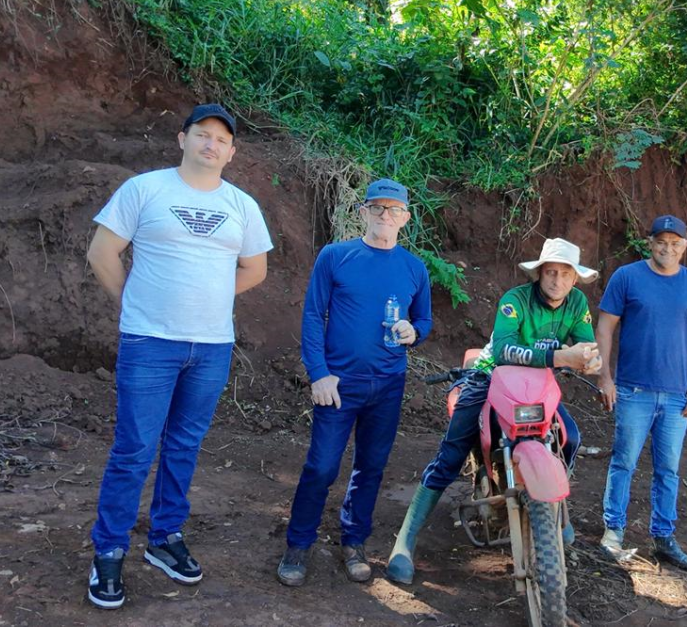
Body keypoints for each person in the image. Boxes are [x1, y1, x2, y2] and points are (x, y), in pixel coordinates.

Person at [84, 104, 273, 609]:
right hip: (149, 342)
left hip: (212, 346)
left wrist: (209, 298)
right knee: (134, 449)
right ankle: (109, 549)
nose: (212, 144)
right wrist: (138, 303)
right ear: (182, 139)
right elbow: (101, 253)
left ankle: (165, 538)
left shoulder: (242, 205)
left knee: (184, 445)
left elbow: (255, 269)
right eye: (202, 134)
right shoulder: (145, 189)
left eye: (222, 140)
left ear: (232, 153)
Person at [385, 237, 601, 585]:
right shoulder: (514, 300)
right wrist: (562, 357)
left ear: (575, 278)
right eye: (550, 272)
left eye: (564, 274)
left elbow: (585, 344)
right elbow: (502, 350)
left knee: (569, 437)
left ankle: (556, 511)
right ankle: (404, 543)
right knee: (452, 452)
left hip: (537, 386)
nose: (556, 280)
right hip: (489, 377)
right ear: (539, 273)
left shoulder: (577, 303)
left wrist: (591, 359)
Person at [276, 178, 433, 587]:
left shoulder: (414, 268)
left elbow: (425, 320)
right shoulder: (336, 256)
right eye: (378, 208)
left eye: (394, 210)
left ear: (406, 218)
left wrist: (413, 332)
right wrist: (319, 373)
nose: (386, 216)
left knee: (372, 467)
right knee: (322, 466)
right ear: (362, 212)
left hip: (388, 384)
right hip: (338, 385)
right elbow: (313, 316)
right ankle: (298, 543)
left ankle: (354, 541)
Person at [596, 215, 687, 570]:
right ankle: (613, 532)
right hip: (633, 391)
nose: (668, 248)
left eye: (675, 242)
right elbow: (605, 327)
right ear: (649, 242)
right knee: (624, 462)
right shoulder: (627, 277)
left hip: (678, 396)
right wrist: (606, 377)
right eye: (661, 241)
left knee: (668, 469)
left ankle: (663, 537)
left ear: (685, 245)